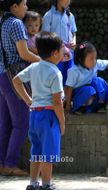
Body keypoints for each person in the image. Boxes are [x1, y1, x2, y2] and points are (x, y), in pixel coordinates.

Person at [13, 31, 65, 190]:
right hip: (49, 116)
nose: (64, 52)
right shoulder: (55, 73)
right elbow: (57, 103)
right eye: (63, 50)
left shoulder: (34, 67)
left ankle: (33, 183)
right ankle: (47, 185)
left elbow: (16, 81)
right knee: (48, 153)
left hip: (34, 115)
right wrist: (62, 123)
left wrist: (28, 100)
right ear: (55, 53)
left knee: (36, 151)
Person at [0, 0, 40, 176]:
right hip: (13, 77)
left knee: (5, 122)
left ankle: (2, 163)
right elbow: (23, 53)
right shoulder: (16, 23)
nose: (26, 7)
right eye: (23, 3)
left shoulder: (2, 21)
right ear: (13, 6)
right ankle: (9, 164)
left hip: (2, 76)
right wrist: (45, 62)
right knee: (22, 122)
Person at [64, 41, 108, 114]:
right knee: (89, 90)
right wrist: (68, 105)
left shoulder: (95, 64)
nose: (94, 61)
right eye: (91, 59)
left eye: (95, 58)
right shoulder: (74, 71)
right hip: (79, 95)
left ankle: (101, 104)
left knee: (98, 81)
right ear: (80, 60)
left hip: (93, 95)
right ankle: (81, 107)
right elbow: (68, 88)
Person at [41, 0, 77, 85]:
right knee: (56, 78)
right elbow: (45, 36)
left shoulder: (70, 16)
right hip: (55, 54)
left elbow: (73, 32)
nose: (68, 1)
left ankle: (66, 98)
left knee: (69, 80)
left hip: (69, 53)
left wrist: (74, 40)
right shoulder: (48, 15)